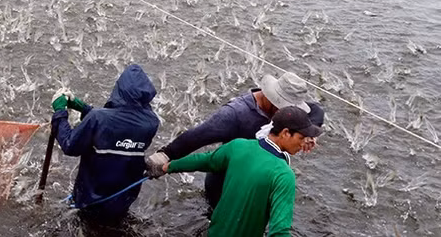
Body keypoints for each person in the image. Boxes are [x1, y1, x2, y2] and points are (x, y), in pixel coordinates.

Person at [146, 72, 324, 208]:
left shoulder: (286, 114)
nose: (287, 113)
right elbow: (197, 136)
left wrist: (309, 135)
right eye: (284, 107)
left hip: (257, 183)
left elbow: (316, 111)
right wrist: (165, 155)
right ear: (271, 98)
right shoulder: (235, 114)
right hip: (226, 185)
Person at [162, 106, 323, 237]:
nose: (304, 143)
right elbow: (279, 232)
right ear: (286, 133)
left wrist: (169, 166)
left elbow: (204, 160)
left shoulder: (238, 146)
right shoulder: (283, 175)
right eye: (302, 138)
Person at [51, 64, 160, 219]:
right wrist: (83, 108)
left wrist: (60, 112)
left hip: (91, 198)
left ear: (119, 90)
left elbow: (70, 145)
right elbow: (115, 126)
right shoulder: (151, 122)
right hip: (123, 199)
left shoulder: (98, 118)